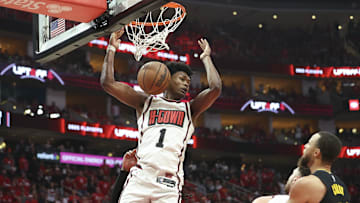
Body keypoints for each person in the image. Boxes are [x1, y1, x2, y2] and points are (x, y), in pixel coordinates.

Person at [101, 29, 222, 203]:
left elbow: (215, 88)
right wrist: (111, 49)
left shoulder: (190, 109)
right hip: (140, 178)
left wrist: (206, 58)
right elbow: (108, 83)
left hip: (168, 183)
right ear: (166, 78)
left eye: (188, 82)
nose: (186, 84)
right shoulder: (145, 102)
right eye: (181, 79)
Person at [287, 131, 350, 203]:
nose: (305, 146)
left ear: (316, 153)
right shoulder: (343, 187)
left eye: (309, 143)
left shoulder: (306, 184)